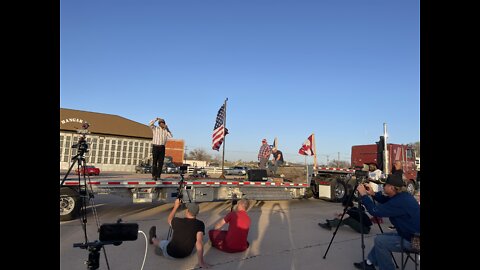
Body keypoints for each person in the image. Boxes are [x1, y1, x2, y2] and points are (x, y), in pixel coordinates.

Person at [353, 174, 420, 270]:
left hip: (415, 241)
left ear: (392, 188)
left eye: (385, 185)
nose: (383, 187)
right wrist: (373, 194)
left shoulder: (400, 201)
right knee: (381, 237)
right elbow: (387, 201)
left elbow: (375, 211)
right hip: (410, 234)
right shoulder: (402, 196)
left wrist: (364, 195)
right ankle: (369, 263)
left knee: (380, 241)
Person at [149, 198, 211, 268]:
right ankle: (160, 247)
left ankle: (153, 239)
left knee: (162, 242)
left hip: (171, 253)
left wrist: (175, 207)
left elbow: (169, 219)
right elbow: (199, 242)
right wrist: (201, 262)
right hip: (186, 253)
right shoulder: (200, 224)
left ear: (187, 211)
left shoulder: (177, 221)